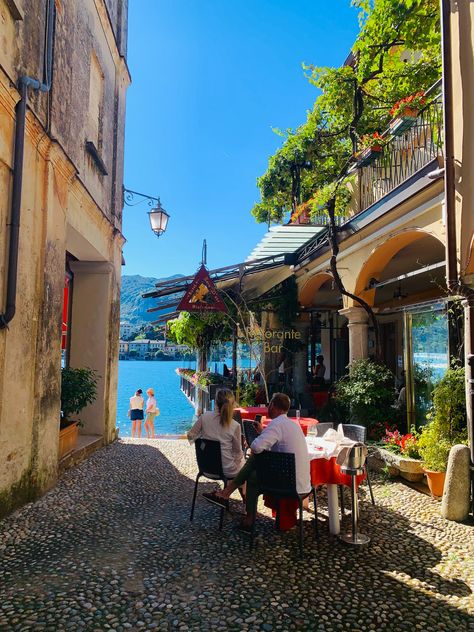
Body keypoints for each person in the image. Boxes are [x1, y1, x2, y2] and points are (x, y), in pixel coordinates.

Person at [204, 392, 311, 532]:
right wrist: (263, 433)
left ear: (273, 406)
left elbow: (255, 447)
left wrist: (262, 435)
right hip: (303, 484)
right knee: (254, 468)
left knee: (253, 475)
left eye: (269, 404)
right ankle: (228, 496)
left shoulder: (276, 425)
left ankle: (243, 512)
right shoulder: (293, 425)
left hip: (287, 485)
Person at [187, 389, 245, 496]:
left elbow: (190, 436)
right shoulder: (235, 425)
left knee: (240, 466)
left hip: (206, 467)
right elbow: (238, 453)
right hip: (226, 471)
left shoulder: (204, 417)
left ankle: (223, 495)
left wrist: (202, 441)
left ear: (215, 402)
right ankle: (244, 503)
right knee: (244, 468)